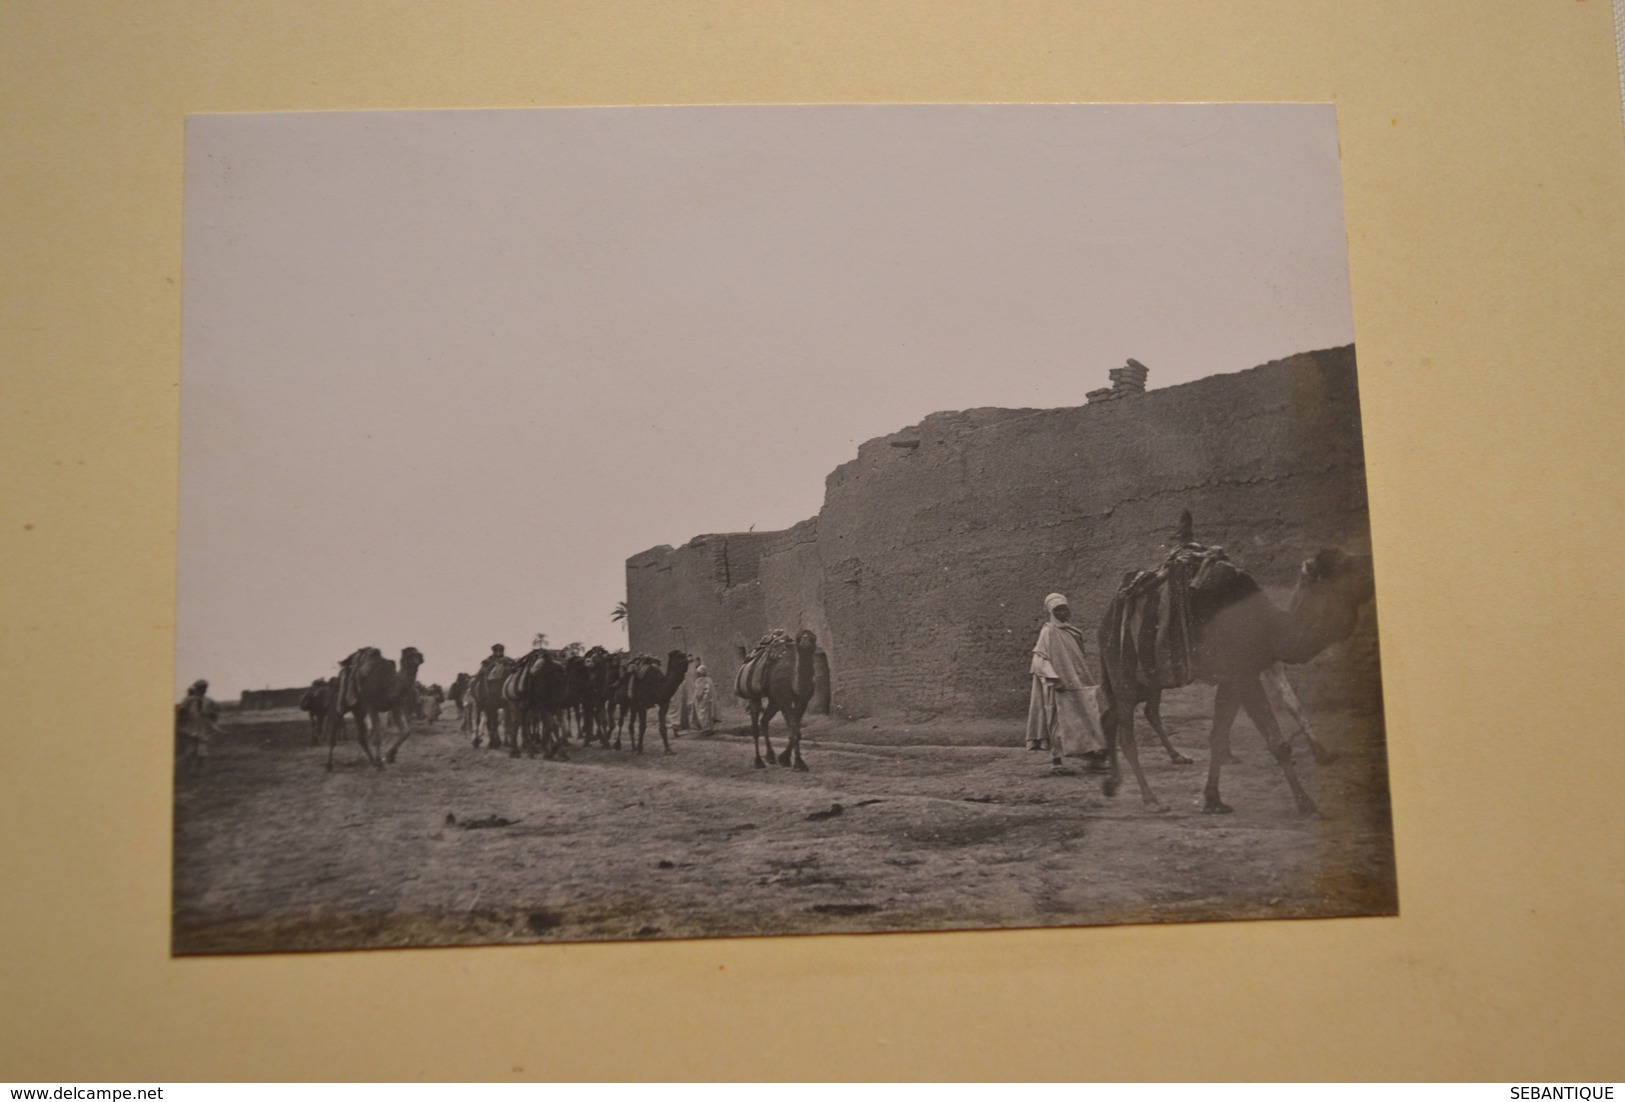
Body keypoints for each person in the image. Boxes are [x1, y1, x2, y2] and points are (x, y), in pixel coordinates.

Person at [1025, 592, 1106, 774]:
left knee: (1086, 717)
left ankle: (1092, 759)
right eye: (1057, 610)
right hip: (1058, 685)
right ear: (1051, 612)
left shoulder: (1073, 632)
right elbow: (1039, 659)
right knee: (1056, 722)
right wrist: (1054, 678)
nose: (1062, 613)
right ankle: (1057, 762)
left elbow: (1078, 657)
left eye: (1064, 609)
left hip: (1076, 682)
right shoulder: (1048, 631)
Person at [176, 679, 223, 774]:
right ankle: (187, 770)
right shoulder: (188, 701)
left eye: (204, 688)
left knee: (202, 752)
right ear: (196, 688)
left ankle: (198, 770)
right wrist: (180, 725)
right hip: (190, 728)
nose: (203, 690)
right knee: (190, 750)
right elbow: (181, 714)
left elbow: (214, 714)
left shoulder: (208, 701)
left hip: (203, 728)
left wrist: (212, 719)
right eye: (201, 688)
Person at [690, 663, 720, 733]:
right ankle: (707, 728)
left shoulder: (702, 681)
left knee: (705, 714)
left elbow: (699, 693)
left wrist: (697, 697)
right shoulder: (708, 680)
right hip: (707, 700)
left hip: (704, 700)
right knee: (706, 714)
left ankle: (707, 729)